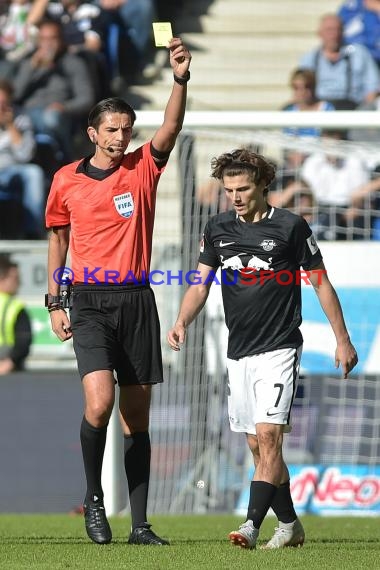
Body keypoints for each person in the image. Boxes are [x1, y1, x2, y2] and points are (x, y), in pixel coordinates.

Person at [167, 148, 358, 549]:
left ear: (263, 185)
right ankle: (289, 524)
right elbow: (200, 283)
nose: (235, 196)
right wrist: (183, 320)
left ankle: (251, 526)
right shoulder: (217, 228)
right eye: (228, 189)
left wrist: (343, 338)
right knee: (256, 444)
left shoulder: (291, 227)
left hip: (280, 347)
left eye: (243, 188)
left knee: (270, 437)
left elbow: (320, 282)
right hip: (239, 352)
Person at [45, 36, 191, 545]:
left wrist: (179, 78)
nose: (120, 137)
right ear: (93, 132)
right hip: (86, 300)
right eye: (112, 129)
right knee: (98, 403)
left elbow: (171, 127)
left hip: (136, 300)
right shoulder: (66, 180)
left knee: (136, 418)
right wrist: (54, 300)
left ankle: (142, 525)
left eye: (127, 129)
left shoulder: (143, 167)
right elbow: (58, 239)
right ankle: (93, 501)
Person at [13, 18, 95, 161]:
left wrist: (65, 107)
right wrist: (32, 66)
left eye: (53, 38)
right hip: (26, 114)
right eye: (43, 39)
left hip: (57, 115)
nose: (48, 43)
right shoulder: (28, 62)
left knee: (52, 119)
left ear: (62, 40)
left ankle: (67, 160)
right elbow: (14, 95)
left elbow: (86, 98)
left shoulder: (73, 63)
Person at [299, 13, 380, 109]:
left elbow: (373, 88)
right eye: (329, 30)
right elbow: (301, 89)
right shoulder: (309, 59)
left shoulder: (359, 53)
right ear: (319, 33)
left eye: (338, 29)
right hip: (319, 110)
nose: (334, 34)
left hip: (354, 109)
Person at [0, 78, 46, 239]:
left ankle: (32, 231)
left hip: (13, 169)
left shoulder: (21, 119)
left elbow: (25, 155)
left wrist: (10, 126)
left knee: (34, 173)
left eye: (3, 103)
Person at [0, 254, 33, 375]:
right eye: (16, 279)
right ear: (2, 278)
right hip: (8, 369)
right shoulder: (15, 307)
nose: (19, 283)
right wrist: (11, 362)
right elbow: (24, 340)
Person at [282, 68, 335, 137]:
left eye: (307, 87)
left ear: (313, 87)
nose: (302, 92)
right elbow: (288, 142)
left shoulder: (326, 108)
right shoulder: (288, 110)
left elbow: (331, 140)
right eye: (296, 88)